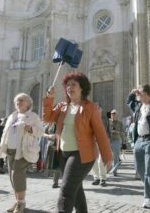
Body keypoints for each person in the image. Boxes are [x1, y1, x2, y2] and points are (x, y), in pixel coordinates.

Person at [43, 72, 113, 213]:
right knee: (76, 189)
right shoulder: (63, 106)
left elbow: (100, 133)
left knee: (66, 190)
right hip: (63, 154)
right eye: (67, 85)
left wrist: (107, 156)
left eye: (73, 84)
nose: (70, 87)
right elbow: (47, 118)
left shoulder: (90, 108)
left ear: (82, 88)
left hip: (82, 155)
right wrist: (49, 98)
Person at [0, 93, 44, 213]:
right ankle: (18, 201)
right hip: (10, 150)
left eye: (22, 100)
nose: (19, 103)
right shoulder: (13, 116)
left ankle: (21, 203)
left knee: (17, 174)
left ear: (29, 103)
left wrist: (31, 129)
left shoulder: (33, 116)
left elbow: (40, 132)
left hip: (24, 150)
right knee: (12, 178)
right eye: (17, 101)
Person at [126, 84, 150, 209]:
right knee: (139, 168)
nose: (138, 95)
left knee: (149, 170)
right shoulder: (138, 106)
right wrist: (133, 92)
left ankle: (148, 198)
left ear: (146, 95)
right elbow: (129, 102)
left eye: (140, 93)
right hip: (138, 140)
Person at [91, 105, 108, 186]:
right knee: (94, 161)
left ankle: (103, 178)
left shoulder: (105, 120)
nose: (97, 110)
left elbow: (108, 131)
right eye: (96, 109)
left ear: (101, 110)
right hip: (93, 142)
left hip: (103, 142)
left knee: (101, 161)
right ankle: (96, 178)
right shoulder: (90, 119)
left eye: (98, 109)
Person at [107, 109, 126, 176]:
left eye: (115, 114)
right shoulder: (108, 122)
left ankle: (115, 171)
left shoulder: (120, 123)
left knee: (116, 156)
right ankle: (107, 169)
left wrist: (124, 142)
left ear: (117, 115)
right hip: (108, 140)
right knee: (107, 156)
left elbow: (123, 132)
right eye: (112, 114)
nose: (113, 115)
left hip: (116, 140)